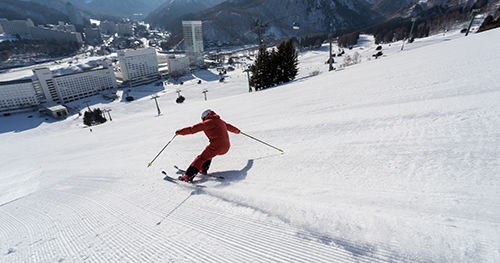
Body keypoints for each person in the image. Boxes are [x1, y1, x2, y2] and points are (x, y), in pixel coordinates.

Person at [176, 109, 240, 182]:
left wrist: (179, 132)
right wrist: (238, 131)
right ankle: (203, 168)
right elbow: (231, 128)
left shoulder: (207, 123)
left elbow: (192, 129)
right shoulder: (221, 122)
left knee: (201, 158)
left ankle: (188, 176)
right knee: (208, 153)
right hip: (226, 147)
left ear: (205, 117)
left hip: (217, 146)